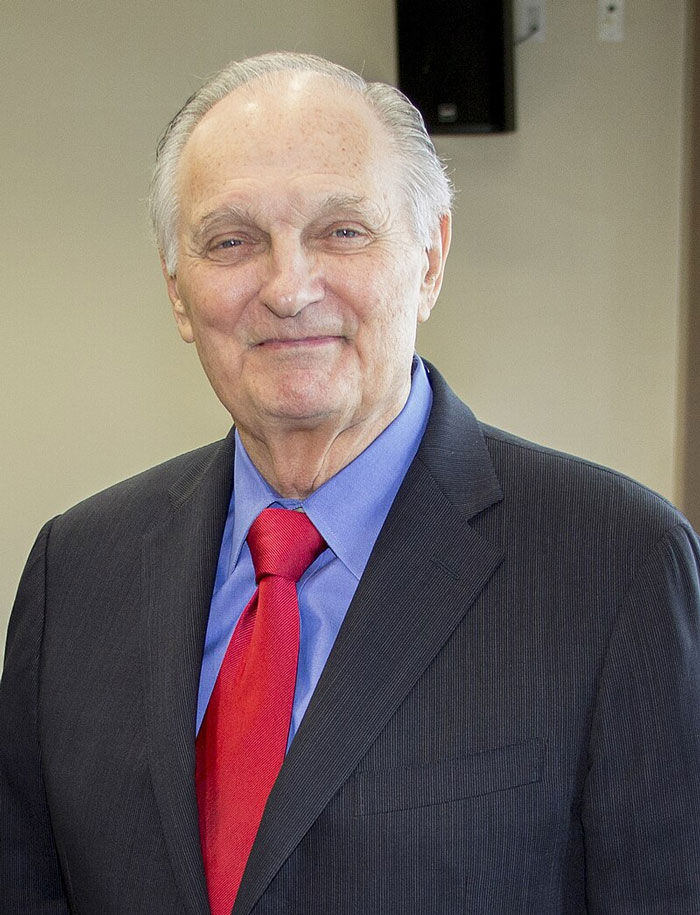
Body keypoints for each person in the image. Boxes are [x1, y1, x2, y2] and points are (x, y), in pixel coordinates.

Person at [1, 51, 699, 915]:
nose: (288, 289)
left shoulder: (619, 562)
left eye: (342, 231)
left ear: (431, 258)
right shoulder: (76, 572)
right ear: (178, 292)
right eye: (232, 241)